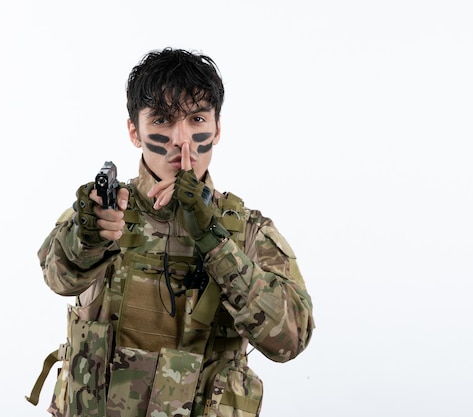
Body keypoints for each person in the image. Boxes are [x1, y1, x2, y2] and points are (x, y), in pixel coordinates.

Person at [34, 47, 315, 417]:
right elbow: (58, 279)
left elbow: (290, 340)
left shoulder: (247, 232)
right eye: (163, 120)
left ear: (217, 129)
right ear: (135, 131)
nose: (182, 139)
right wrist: (86, 238)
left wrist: (214, 242)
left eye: (197, 119)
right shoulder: (107, 211)